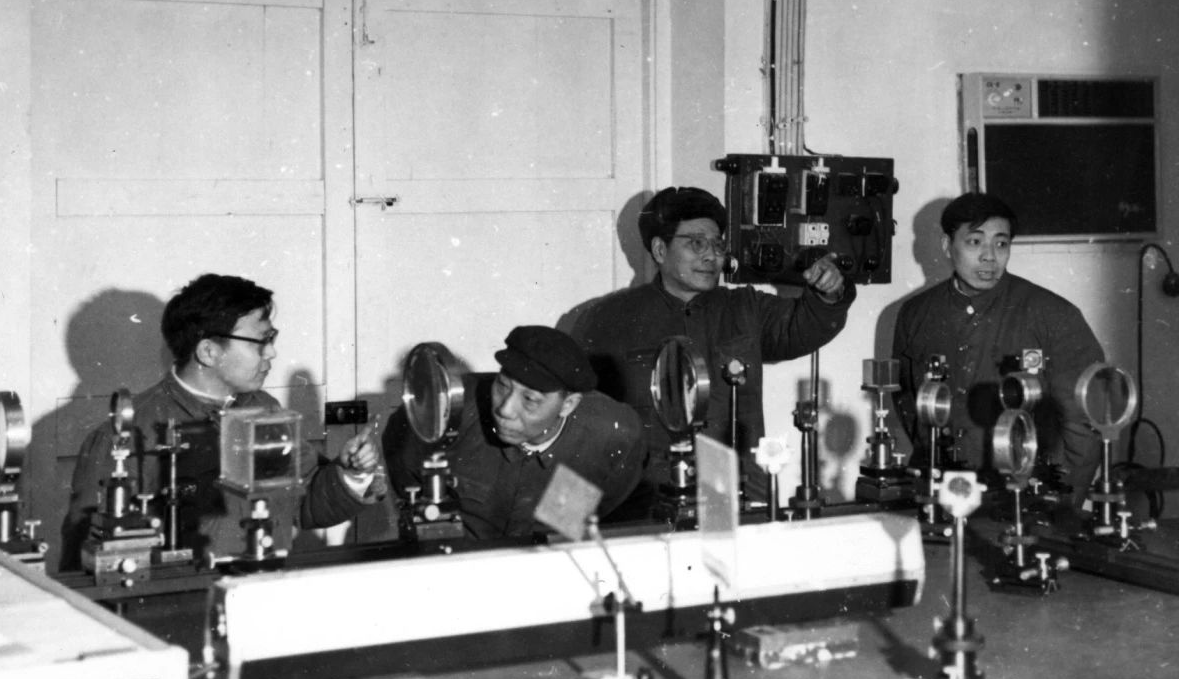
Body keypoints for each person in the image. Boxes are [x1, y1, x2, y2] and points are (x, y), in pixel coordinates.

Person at [62, 273, 380, 567]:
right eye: (262, 341)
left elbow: (304, 503)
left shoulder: (265, 409)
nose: (271, 353)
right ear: (209, 352)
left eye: (272, 338)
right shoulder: (126, 433)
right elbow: (88, 556)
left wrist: (350, 474)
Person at [571, 185, 852, 513]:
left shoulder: (746, 308)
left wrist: (830, 291)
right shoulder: (607, 319)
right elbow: (577, 426)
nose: (712, 256)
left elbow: (805, 325)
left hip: (737, 498)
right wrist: (561, 524)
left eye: (718, 244)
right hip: (646, 505)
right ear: (660, 250)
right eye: (696, 243)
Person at [891, 192, 1105, 506]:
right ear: (947, 245)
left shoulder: (1053, 314)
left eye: (1001, 243)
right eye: (975, 242)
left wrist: (1061, 505)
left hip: (1022, 498)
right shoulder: (916, 313)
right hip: (940, 490)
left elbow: (1083, 424)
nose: (990, 256)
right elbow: (908, 401)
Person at [382, 325, 646, 540]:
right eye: (502, 385)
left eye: (529, 400)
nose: (505, 409)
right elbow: (403, 460)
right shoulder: (450, 412)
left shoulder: (610, 434)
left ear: (568, 404)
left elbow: (607, 502)